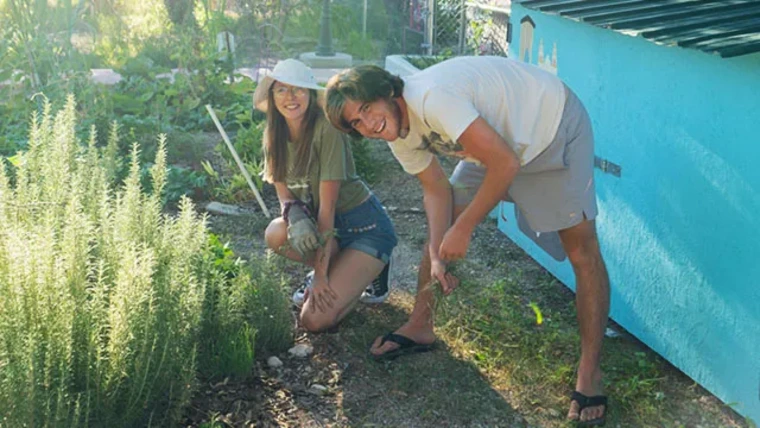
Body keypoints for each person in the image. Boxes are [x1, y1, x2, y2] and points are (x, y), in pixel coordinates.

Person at [324, 56, 610, 427]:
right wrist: (437, 249)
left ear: (388, 92)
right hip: (490, 145)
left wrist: (465, 227)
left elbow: (505, 163)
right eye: (356, 123)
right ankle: (420, 325)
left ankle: (590, 372)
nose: (369, 124)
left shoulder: (432, 99)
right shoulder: (395, 133)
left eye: (366, 108)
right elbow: (436, 192)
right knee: (440, 231)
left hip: (550, 128)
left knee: (581, 251)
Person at [254, 59, 397, 332]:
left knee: (313, 320)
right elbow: (284, 195)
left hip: (365, 229)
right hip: (330, 235)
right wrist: (295, 216)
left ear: (310, 94)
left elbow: (327, 209)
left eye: (298, 90)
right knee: (275, 233)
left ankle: (372, 266)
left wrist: (320, 277)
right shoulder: (273, 134)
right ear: (272, 96)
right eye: (281, 90)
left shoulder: (327, 129)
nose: (290, 98)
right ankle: (342, 266)